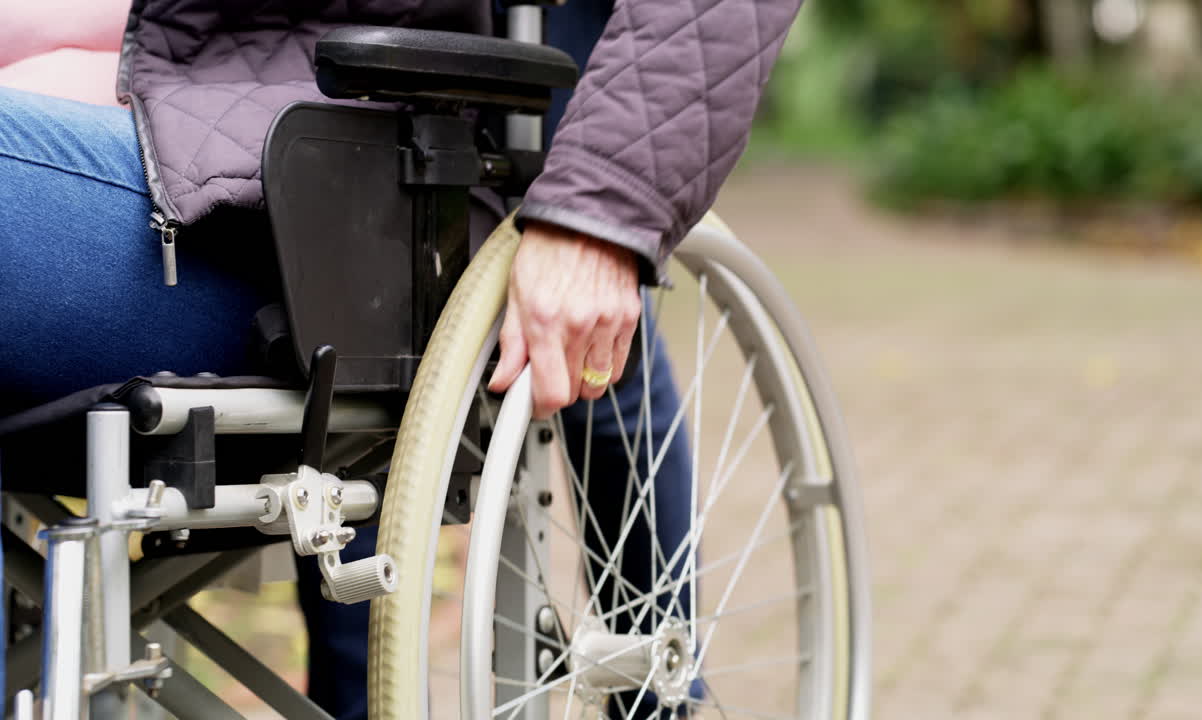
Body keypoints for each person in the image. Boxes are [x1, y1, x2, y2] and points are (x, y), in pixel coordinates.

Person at [0, 0, 802, 717]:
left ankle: (656, 692)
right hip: (196, 107)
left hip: (356, 154)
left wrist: (603, 209)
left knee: (594, 352)